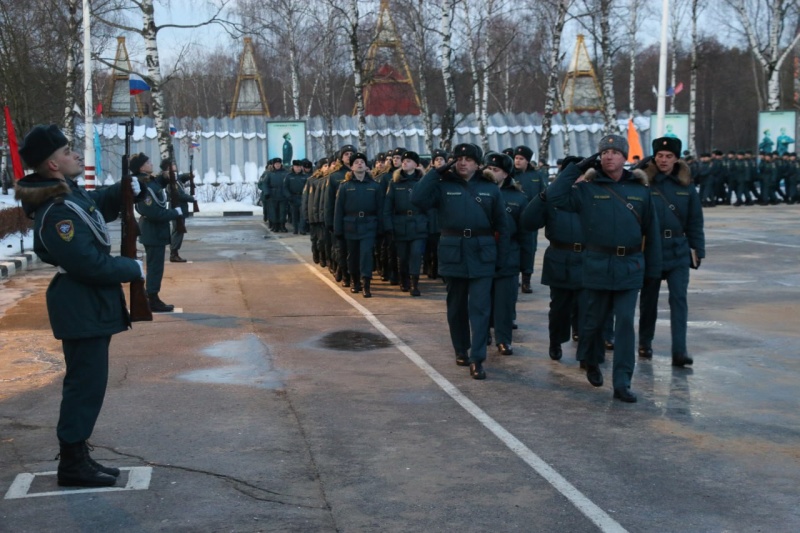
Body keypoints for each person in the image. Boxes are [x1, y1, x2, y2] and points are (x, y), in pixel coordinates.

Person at [15, 124, 144, 487]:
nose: (75, 155)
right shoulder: (56, 211)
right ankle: (72, 463)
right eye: (68, 151)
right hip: (80, 303)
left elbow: (94, 205)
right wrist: (129, 269)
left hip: (89, 304)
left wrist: (123, 189)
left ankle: (78, 454)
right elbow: (87, 263)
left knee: (90, 384)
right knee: (84, 386)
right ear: (52, 165)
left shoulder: (67, 195)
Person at [546, 134, 662, 402]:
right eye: (604, 152)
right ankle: (591, 359)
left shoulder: (640, 190)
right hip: (596, 265)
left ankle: (622, 382)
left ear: (625, 157)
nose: (609, 156)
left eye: (615, 151)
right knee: (593, 322)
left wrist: (653, 272)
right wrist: (575, 169)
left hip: (629, 266)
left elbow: (651, 234)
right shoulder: (587, 189)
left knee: (623, 324)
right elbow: (553, 197)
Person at [411, 143, 510, 380]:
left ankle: (477, 358)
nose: (463, 162)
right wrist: (436, 172)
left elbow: (502, 227)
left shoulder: (490, 189)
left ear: (478, 163)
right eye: (458, 158)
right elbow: (416, 199)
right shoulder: (443, 185)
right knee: (456, 307)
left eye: (468, 159)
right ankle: (460, 349)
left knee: (480, 307)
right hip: (453, 252)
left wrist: (502, 260)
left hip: (482, 253)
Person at [637, 137, 705, 368]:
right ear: (654, 157)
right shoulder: (645, 183)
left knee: (679, 300)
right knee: (649, 300)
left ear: (677, 159)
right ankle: (645, 342)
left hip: (678, 249)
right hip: (652, 249)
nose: (664, 160)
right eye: (660, 156)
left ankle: (680, 351)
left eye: (669, 156)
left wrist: (698, 249)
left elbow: (695, 221)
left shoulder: (686, 186)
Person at [520, 155, 587, 363]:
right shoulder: (553, 198)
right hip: (560, 258)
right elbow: (528, 222)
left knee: (588, 306)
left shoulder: (593, 196)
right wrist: (542, 197)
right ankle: (556, 341)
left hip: (588, 258)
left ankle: (586, 348)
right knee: (560, 307)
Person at [484, 152, 529, 356]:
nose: (491, 173)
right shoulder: (478, 191)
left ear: (506, 174)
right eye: (489, 169)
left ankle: (504, 339)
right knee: (482, 299)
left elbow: (525, 234)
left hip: (509, 254)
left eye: (496, 170)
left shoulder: (518, 197)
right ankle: (483, 333)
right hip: (482, 252)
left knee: (504, 302)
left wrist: (524, 265)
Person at [133, 152, 181, 313]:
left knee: (156, 266)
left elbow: (157, 184)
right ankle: (152, 298)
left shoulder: (148, 181)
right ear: (141, 167)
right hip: (152, 232)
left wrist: (168, 176)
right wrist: (175, 213)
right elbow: (154, 212)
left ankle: (152, 295)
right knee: (155, 267)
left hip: (156, 232)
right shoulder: (141, 185)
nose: (151, 164)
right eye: (148, 162)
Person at [333, 152, 383, 298]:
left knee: (366, 254)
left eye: (362, 162)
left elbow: (380, 209)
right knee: (353, 255)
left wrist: (381, 228)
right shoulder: (345, 186)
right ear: (352, 167)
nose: (359, 164)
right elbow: (339, 210)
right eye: (356, 162)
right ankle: (355, 281)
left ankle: (366, 283)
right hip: (350, 225)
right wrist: (338, 229)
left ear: (366, 166)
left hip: (369, 225)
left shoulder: (375, 186)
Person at [383, 150, 427, 296]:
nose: (405, 162)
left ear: (416, 164)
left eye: (408, 160)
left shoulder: (422, 182)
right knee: (402, 256)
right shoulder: (395, 182)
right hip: (400, 223)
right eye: (404, 160)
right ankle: (404, 280)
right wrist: (388, 226)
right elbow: (388, 206)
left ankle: (415, 283)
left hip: (418, 223)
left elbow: (430, 205)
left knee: (415, 253)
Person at [512, 145, 546, 294]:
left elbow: (543, 195)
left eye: (521, 159)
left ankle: (526, 280)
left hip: (530, 219)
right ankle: (513, 277)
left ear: (527, 161)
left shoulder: (536, 176)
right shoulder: (511, 174)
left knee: (529, 249)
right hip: (513, 217)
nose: (517, 161)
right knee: (513, 248)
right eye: (516, 158)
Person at [159, 159, 194, 262]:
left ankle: (175, 253)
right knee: (178, 230)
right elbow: (178, 194)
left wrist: (188, 175)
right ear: (168, 168)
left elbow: (180, 178)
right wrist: (191, 198)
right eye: (173, 164)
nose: (175, 165)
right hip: (176, 207)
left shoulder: (174, 176)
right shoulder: (169, 179)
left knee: (179, 230)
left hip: (180, 208)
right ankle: (173, 254)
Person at [284, 159, 308, 234]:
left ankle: (302, 229)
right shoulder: (289, 176)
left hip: (302, 197)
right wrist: (289, 196)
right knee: (294, 214)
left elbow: (307, 187)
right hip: (293, 197)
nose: (298, 168)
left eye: (299, 167)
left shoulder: (305, 177)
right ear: (293, 167)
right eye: (296, 167)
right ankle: (295, 229)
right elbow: (285, 187)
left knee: (303, 214)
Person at [266, 157, 289, 232]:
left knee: (282, 212)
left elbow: (289, 184)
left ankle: (282, 226)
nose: (278, 165)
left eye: (279, 164)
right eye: (276, 164)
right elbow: (265, 184)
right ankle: (275, 226)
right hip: (273, 195)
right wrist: (267, 192)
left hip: (283, 195)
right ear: (273, 165)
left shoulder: (285, 173)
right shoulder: (269, 173)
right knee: (274, 212)